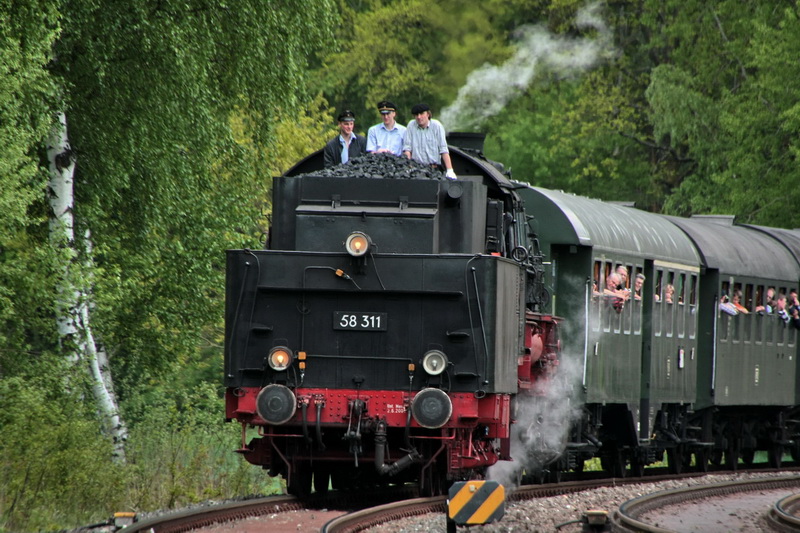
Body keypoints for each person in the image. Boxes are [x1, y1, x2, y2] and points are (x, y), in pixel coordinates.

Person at [403, 103, 457, 179]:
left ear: (428, 114)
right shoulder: (411, 126)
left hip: (433, 168)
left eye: (421, 114)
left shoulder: (437, 126)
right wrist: (408, 166)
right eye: (416, 115)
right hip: (416, 169)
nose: (419, 117)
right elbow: (407, 149)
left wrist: (450, 170)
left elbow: (443, 149)